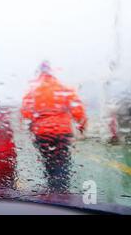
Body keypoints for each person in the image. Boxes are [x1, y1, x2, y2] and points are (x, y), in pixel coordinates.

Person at [21, 61, 87, 193]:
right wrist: (81, 125)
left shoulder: (33, 91)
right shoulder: (63, 88)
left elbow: (26, 113)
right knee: (62, 161)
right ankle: (62, 191)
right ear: (51, 72)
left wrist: (35, 120)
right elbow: (78, 110)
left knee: (49, 161)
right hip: (62, 132)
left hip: (42, 133)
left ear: (39, 72)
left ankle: (53, 188)